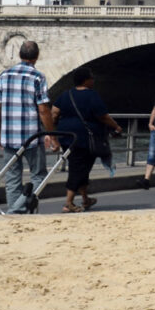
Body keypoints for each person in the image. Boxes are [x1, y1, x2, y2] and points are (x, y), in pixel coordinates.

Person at [0, 40, 58, 215]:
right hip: (31, 137)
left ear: (20, 55)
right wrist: (52, 135)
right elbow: (43, 110)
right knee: (39, 176)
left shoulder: (4, 76)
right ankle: (17, 210)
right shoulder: (37, 77)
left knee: (12, 177)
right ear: (36, 57)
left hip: (8, 136)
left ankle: (14, 212)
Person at [52, 67, 123, 213]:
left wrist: (55, 130)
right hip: (84, 139)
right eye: (92, 78)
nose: (94, 80)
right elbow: (102, 116)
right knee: (78, 170)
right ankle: (68, 203)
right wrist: (116, 126)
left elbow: (54, 112)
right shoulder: (92, 95)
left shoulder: (66, 94)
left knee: (80, 168)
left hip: (66, 137)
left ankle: (85, 199)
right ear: (86, 80)